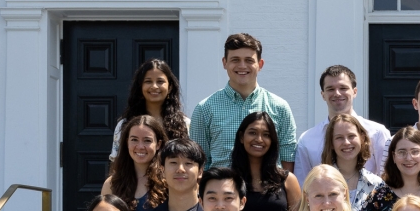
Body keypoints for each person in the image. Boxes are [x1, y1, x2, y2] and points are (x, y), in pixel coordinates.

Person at [190, 33, 296, 169]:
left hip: (268, 188)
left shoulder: (280, 107)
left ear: (260, 64)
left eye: (249, 60)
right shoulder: (205, 108)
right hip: (222, 188)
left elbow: (288, 160)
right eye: (235, 60)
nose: (242, 66)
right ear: (224, 63)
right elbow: (198, 163)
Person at [294, 65, 393, 185]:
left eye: (343, 88)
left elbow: (389, 179)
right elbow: (302, 186)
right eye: (330, 89)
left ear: (354, 92)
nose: (337, 93)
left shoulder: (377, 133)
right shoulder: (307, 140)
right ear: (323, 95)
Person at [109, 58, 190, 162]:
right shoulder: (124, 125)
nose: (154, 86)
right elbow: (117, 163)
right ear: (140, 87)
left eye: (160, 81)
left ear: (169, 87)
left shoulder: (185, 125)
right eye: (148, 81)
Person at [321, 113, 384, 211]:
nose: (346, 142)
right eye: (339, 138)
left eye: (351, 136)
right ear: (331, 143)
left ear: (362, 138)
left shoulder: (376, 184)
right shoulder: (319, 182)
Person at [102, 115, 168, 211]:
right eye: (134, 140)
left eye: (147, 140)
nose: (140, 146)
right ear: (127, 142)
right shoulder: (111, 183)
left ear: (158, 144)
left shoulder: (169, 180)